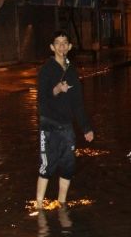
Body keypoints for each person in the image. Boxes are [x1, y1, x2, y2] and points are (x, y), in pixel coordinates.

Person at [36, 30, 94, 209]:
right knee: (48, 165)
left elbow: (78, 103)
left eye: (64, 43)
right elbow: (42, 98)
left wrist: (86, 128)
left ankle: (62, 203)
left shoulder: (72, 71)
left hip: (67, 126)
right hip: (49, 125)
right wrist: (57, 90)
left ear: (69, 47)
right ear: (52, 47)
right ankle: (38, 205)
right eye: (58, 43)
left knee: (68, 165)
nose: (61, 46)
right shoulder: (46, 69)